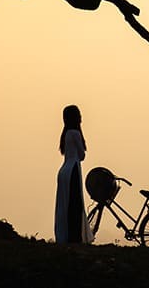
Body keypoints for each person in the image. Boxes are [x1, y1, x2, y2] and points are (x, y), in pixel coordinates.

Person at [55, 104, 93, 244]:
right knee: (75, 205)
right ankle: (75, 236)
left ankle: (64, 235)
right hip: (73, 170)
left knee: (64, 205)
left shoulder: (65, 133)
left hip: (64, 170)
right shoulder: (75, 133)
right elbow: (82, 156)